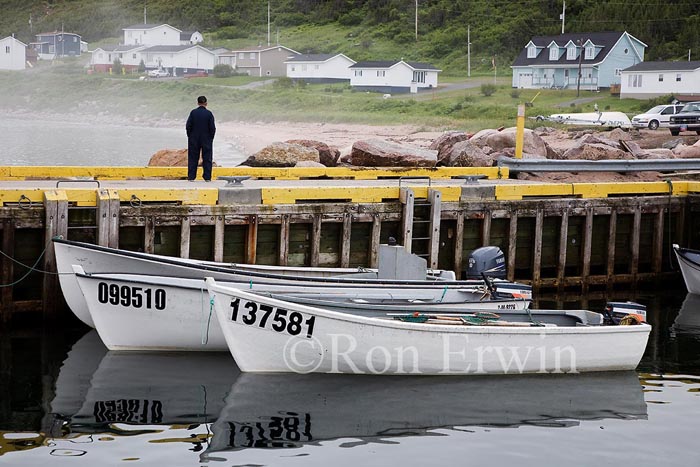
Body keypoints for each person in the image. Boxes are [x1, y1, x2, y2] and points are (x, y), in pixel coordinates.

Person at [185, 95, 216, 181]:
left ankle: (191, 177)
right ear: (206, 103)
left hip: (194, 138)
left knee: (193, 158)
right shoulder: (209, 114)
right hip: (206, 139)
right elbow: (212, 128)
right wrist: (211, 138)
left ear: (198, 103)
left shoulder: (193, 113)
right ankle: (207, 177)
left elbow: (188, 126)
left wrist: (190, 136)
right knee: (207, 158)